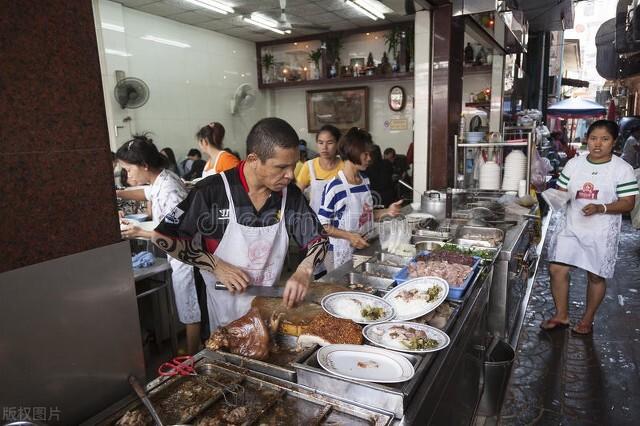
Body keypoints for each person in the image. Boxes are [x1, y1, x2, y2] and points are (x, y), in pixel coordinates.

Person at [152, 118, 329, 330]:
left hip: (268, 308)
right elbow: (163, 237)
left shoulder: (288, 195)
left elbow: (318, 239)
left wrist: (304, 269)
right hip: (222, 308)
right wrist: (215, 265)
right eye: (281, 167)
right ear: (253, 159)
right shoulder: (212, 192)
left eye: (293, 166)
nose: (290, 175)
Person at [541, 120, 638, 335]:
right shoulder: (575, 164)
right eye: (594, 138)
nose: (598, 144)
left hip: (601, 231)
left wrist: (600, 207)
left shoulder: (622, 169)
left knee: (595, 276)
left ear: (614, 142)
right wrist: (549, 194)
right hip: (572, 225)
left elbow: (628, 203)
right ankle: (561, 315)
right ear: (587, 139)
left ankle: (587, 319)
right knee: (557, 268)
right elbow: (562, 191)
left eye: (605, 139)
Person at [115, 135, 202, 354]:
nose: (128, 175)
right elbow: (146, 192)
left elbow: (180, 234)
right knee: (187, 305)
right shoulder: (161, 179)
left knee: (190, 307)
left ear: (144, 165)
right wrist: (116, 193)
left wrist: (139, 232)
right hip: (180, 255)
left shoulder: (169, 190)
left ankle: (194, 357)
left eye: (129, 169)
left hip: (186, 256)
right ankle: (193, 350)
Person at [318, 128, 403, 270]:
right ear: (352, 152)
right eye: (365, 154)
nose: (369, 158)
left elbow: (366, 214)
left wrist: (388, 211)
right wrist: (350, 236)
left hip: (363, 249)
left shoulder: (364, 181)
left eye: (370, 154)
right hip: (338, 254)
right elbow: (322, 226)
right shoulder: (335, 187)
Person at [296, 125, 343, 213]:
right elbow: (297, 194)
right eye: (320, 143)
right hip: (316, 219)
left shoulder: (345, 166)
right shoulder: (309, 166)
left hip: (340, 219)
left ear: (338, 144)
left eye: (329, 143)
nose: (324, 147)